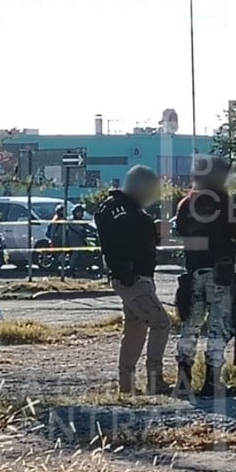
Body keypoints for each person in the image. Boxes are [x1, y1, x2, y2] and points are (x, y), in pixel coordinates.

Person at [174, 155, 236, 398]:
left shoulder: (185, 204)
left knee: (190, 325)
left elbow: (180, 230)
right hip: (220, 273)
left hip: (192, 271)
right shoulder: (222, 201)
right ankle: (212, 381)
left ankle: (183, 381)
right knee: (219, 326)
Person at [95, 165, 172, 395]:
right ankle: (154, 379)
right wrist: (153, 229)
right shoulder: (122, 210)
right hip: (132, 278)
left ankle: (126, 386)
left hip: (135, 276)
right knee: (161, 322)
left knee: (135, 328)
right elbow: (128, 238)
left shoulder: (123, 208)